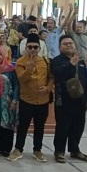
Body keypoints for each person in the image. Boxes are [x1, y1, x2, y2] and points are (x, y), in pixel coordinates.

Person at [8, 33, 52, 163]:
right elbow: (21, 80)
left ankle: (37, 150)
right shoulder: (21, 62)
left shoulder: (45, 61)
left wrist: (48, 88)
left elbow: (51, 78)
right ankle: (18, 149)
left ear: (39, 48)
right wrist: (29, 69)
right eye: (30, 47)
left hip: (43, 100)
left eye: (35, 47)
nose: (32, 49)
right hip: (26, 99)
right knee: (23, 126)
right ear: (26, 48)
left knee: (40, 127)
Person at [51, 36, 87, 163]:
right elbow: (59, 76)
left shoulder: (81, 61)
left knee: (78, 126)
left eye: (71, 43)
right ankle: (59, 151)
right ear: (60, 47)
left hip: (80, 100)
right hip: (64, 100)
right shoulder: (56, 61)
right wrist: (71, 64)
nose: (69, 45)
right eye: (65, 44)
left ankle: (75, 150)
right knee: (62, 127)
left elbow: (85, 80)